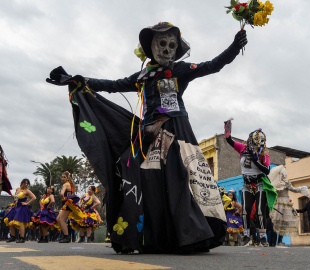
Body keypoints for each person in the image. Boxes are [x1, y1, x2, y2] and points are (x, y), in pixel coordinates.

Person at [47, 22, 248, 254]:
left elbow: (213, 65)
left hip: (176, 129)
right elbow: (113, 85)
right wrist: (80, 81)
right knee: (147, 181)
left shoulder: (181, 70)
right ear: (151, 46)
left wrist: (235, 45)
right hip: (149, 133)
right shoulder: (142, 76)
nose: (167, 49)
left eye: (172, 45)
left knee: (178, 178)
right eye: (162, 43)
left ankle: (188, 235)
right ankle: (152, 236)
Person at [224, 124, 277, 247]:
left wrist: (255, 159)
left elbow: (267, 170)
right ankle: (247, 236)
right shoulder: (242, 149)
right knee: (246, 210)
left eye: (261, 142)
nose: (259, 144)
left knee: (259, 211)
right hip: (246, 184)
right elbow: (229, 140)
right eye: (256, 141)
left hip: (259, 183)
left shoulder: (263, 154)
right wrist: (227, 129)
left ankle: (263, 238)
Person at [269, 165, 310, 246]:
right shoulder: (274, 184)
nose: (284, 175)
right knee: (275, 223)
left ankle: (279, 241)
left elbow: (295, 190)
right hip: (277, 204)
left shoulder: (286, 183)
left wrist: (304, 188)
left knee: (284, 223)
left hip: (285, 204)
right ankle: (273, 241)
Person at [4, 179, 36, 243]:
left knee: (20, 222)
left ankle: (22, 238)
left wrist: (27, 203)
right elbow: (16, 198)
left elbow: (34, 197)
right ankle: (13, 237)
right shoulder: (18, 189)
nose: (26, 185)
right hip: (15, 207)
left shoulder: (27, 191)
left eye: (27, 183)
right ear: (21, 183)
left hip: (22, 207)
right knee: (10, 221)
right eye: (25, 183)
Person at [56, 171, 84, 243]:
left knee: (61, 219)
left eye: (64, 177)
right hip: (68, 204)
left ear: (68, 178)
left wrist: (63, 198)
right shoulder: (70, 184)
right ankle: (64, 235)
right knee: (58, 219)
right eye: (62, 177)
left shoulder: (66, 184)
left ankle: (66, 236)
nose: (62, 178)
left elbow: (62, 193)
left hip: (68, 204)